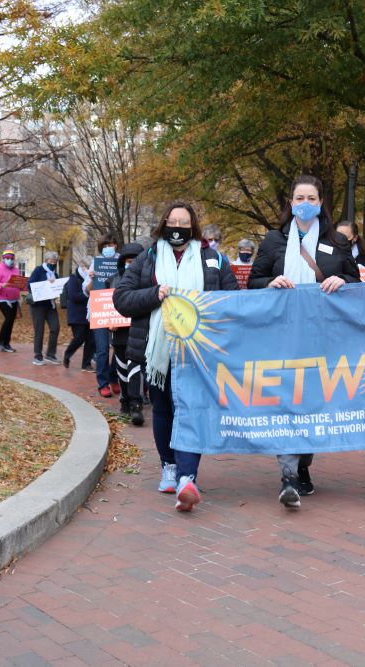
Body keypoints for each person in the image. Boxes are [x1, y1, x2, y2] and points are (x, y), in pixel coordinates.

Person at [114, 201, 239, 512]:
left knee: (192, 410)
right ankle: (169, 466)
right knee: (164, 409)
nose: (178, 228)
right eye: (173, 222)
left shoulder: (213, 259)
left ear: (193, 226)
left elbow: (233, 300)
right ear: (163, 224)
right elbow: (122, 298)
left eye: (184, 223)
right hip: (160, 351)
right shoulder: (148, 258)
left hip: (198, 351)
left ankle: (187, 477)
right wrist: (153, 295)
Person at [249, 174, 360, 509]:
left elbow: (356, 282)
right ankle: (288, 475)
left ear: (321, 202)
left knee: (310, 403)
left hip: (321, 337)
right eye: (300, 198)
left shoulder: (337, 242)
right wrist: (271, 281)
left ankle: (302, 465)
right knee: (287, 401)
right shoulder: (273, 240)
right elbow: (253, 282)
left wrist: (342, 280)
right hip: (281, 335)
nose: (305, 204)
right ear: (291, 202)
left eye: (312, 198)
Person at [106, 242, 145, 425]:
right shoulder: (112, 280)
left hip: (139, 330)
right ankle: (125, 401)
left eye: (135, 261)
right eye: (128, 261)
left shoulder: (147, 281)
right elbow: (104, 307)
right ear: (123, 262)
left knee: (136, 367)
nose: (132, 264)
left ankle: (137, 405)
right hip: (119, 333)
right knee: (122, 368)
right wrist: (109, 324)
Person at [88, 234, 120, 396]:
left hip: (118, 310)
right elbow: (87, 290)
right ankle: (102, 383)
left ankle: (114, 377)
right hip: (100, 308)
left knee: (119, 347)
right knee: (102, 349)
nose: (109, 247)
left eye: (111, 244)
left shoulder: (122, 261)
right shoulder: (96, 262)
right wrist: (92, 279)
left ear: (116, 245)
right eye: (105, 245)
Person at [27, 251, 63, 365]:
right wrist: (46, 283)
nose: (53, 264)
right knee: (39, 330)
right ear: (46, 261)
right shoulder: (39, 270)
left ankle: (50, 354)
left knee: (55, 327)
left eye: (55, 262)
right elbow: (30, 285)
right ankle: (37, 355)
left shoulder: (55, 274)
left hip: (50, 305)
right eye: (51, 261)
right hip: (38, 305)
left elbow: (56, 288)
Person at [62, 261, 95, 370]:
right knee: (79, 337)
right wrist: (90, 296)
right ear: (81, 267)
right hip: (77, 315)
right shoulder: (74, 278)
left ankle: (86, 364)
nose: (86, 269)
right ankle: (67, 354)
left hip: (89, 314)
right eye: (85, 266)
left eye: (88, 267)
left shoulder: (93, 279)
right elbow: (73, 296)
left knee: (91, 340)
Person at [0, 248, 21, 353]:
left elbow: (19, 282)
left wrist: (22, 286)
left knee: (11, 321)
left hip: (14, 299)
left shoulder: (16, 270)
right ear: (3, 259)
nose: (10, 260)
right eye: (7, 258)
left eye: (11, 258)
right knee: (8, 318)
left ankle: (6, 343)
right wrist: (2, 285)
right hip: (2, 298)